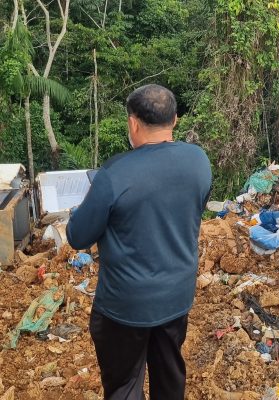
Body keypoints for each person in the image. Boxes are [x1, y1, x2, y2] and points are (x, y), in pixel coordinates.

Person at [66, 84, 212, 400]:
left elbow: (77, 236)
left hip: (125, 306)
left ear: (133, 123)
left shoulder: (115, 173)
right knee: (170, 375)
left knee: (124, 386)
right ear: (174, 120)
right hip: (176, 298)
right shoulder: (198, 161)